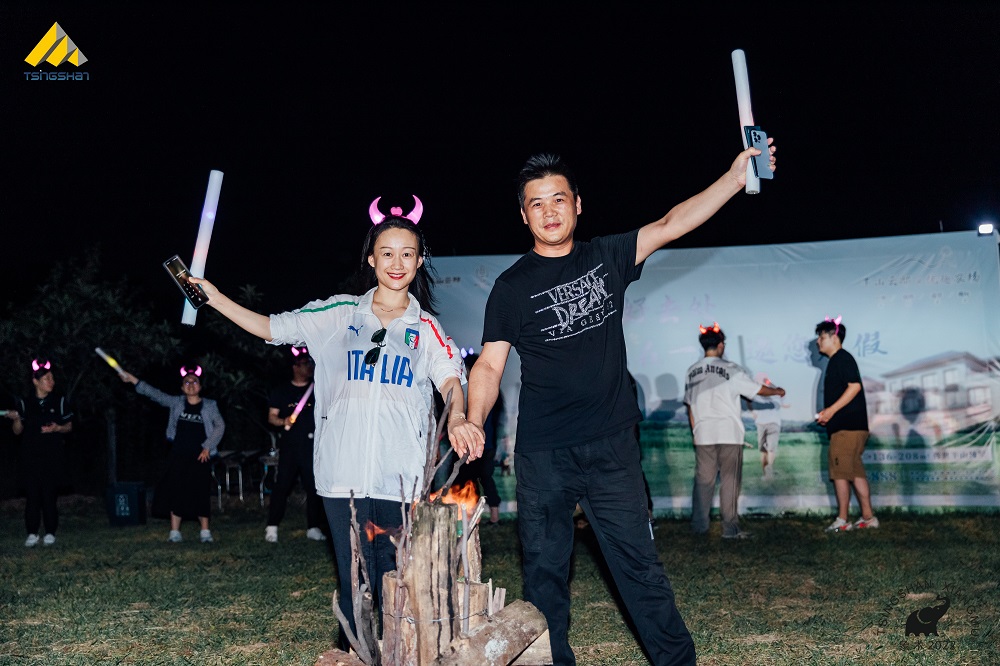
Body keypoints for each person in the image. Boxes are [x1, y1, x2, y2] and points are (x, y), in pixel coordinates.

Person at [449, 143, 776, 666]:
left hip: (611, 448)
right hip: (544, 454)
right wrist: (472, 418)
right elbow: (488, 365)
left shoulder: (607, 257)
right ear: (523, 215)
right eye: (537, 203)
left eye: (559, 199)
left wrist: (735, 179)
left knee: (639, 566)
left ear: (578, 204)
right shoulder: (511, 288)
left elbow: (671, 223)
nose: (549, 211)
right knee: (544, 574)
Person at [190, 196, 467, 650]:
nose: (397, 263)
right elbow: (272, 327)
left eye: (407, 254)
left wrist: (457, 415)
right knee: (353, 576)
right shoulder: (338, 314)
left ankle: (391, 652)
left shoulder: (427, 328)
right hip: (342, 475)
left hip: (399, 477)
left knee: (392, 576)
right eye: (387, 253)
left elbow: (451, 380)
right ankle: (352, 652)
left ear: (419, 261)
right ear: (371, 258)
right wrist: (215, 298)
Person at [683, 324, 785, 539]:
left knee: (703, 482)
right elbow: (757, 389)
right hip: (728, 433)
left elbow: (690, 406)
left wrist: (695, 432)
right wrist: (777, 391)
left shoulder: (692, 371)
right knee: (730, 482)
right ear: (721, 345)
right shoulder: (732, 368)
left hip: (703, 433)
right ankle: (730, 529)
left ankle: (699, 528)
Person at [121, 365, 225, 543]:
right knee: (176, 490)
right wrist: (134, 380)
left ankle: (205, 532)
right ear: (182, 387)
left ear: (200, 386)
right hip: (178, 454)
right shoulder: (176, 403)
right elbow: (155, 394)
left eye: (194, 381)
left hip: (201, 455)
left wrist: (208, 447)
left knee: (200, 491)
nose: (191, 384)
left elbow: (220, 426)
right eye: (187, 382)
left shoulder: (210, 405)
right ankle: (175, 532)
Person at [815, 317, 879, 532]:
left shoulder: (841, 358)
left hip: (846, 429)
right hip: (853, 427)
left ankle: (842, 520)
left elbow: (854, 387)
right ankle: (868, 518)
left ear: (834, 337)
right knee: (855, 472)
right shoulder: (839, 360)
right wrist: (828, 414)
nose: (818, 341)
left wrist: (831, 411)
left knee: (840, 473)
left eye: (821, 337)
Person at [6, 358, 73, 547]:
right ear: (36, 381)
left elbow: (69, 426)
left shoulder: (60, 401)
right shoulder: (24, 403)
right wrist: (16, 419)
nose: (52, 382)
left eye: (52, 378)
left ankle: (50, 532)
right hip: (30, 457)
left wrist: (57, 428)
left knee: (49, 495)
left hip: (52, 456)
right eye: (47, 379)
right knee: (32, 496)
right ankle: (32, 533)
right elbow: (17, 431)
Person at [264, 345, 327, 543]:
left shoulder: (318, 389)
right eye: (305, 364)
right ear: (295, 367)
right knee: (282, 486)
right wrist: (283, 421)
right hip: (290, 447)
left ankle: (313, 527)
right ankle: (272, 527)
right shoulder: (282, 391)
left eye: (310, 363)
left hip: (312, 447)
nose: (309, 367)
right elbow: (271, 417)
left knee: (314, 487)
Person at [451, 352, 502, 525]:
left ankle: (493, 516)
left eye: (466, 369)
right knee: (473, 479)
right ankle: (472, 517)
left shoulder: (484, 390)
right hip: (476, 444)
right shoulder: (469, 390)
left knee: (485, 478)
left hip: (484, 444)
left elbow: (494, 420)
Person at [749, 373, 784, 481]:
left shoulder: (774, 392)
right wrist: (752, 412)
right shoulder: (757, 392)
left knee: (769, 449)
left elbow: (782, 393)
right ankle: (767, 472)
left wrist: (769, 384)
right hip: (763, 423)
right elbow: (748, 400)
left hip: (771, 423)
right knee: (766, 450)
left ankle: (769, 472)